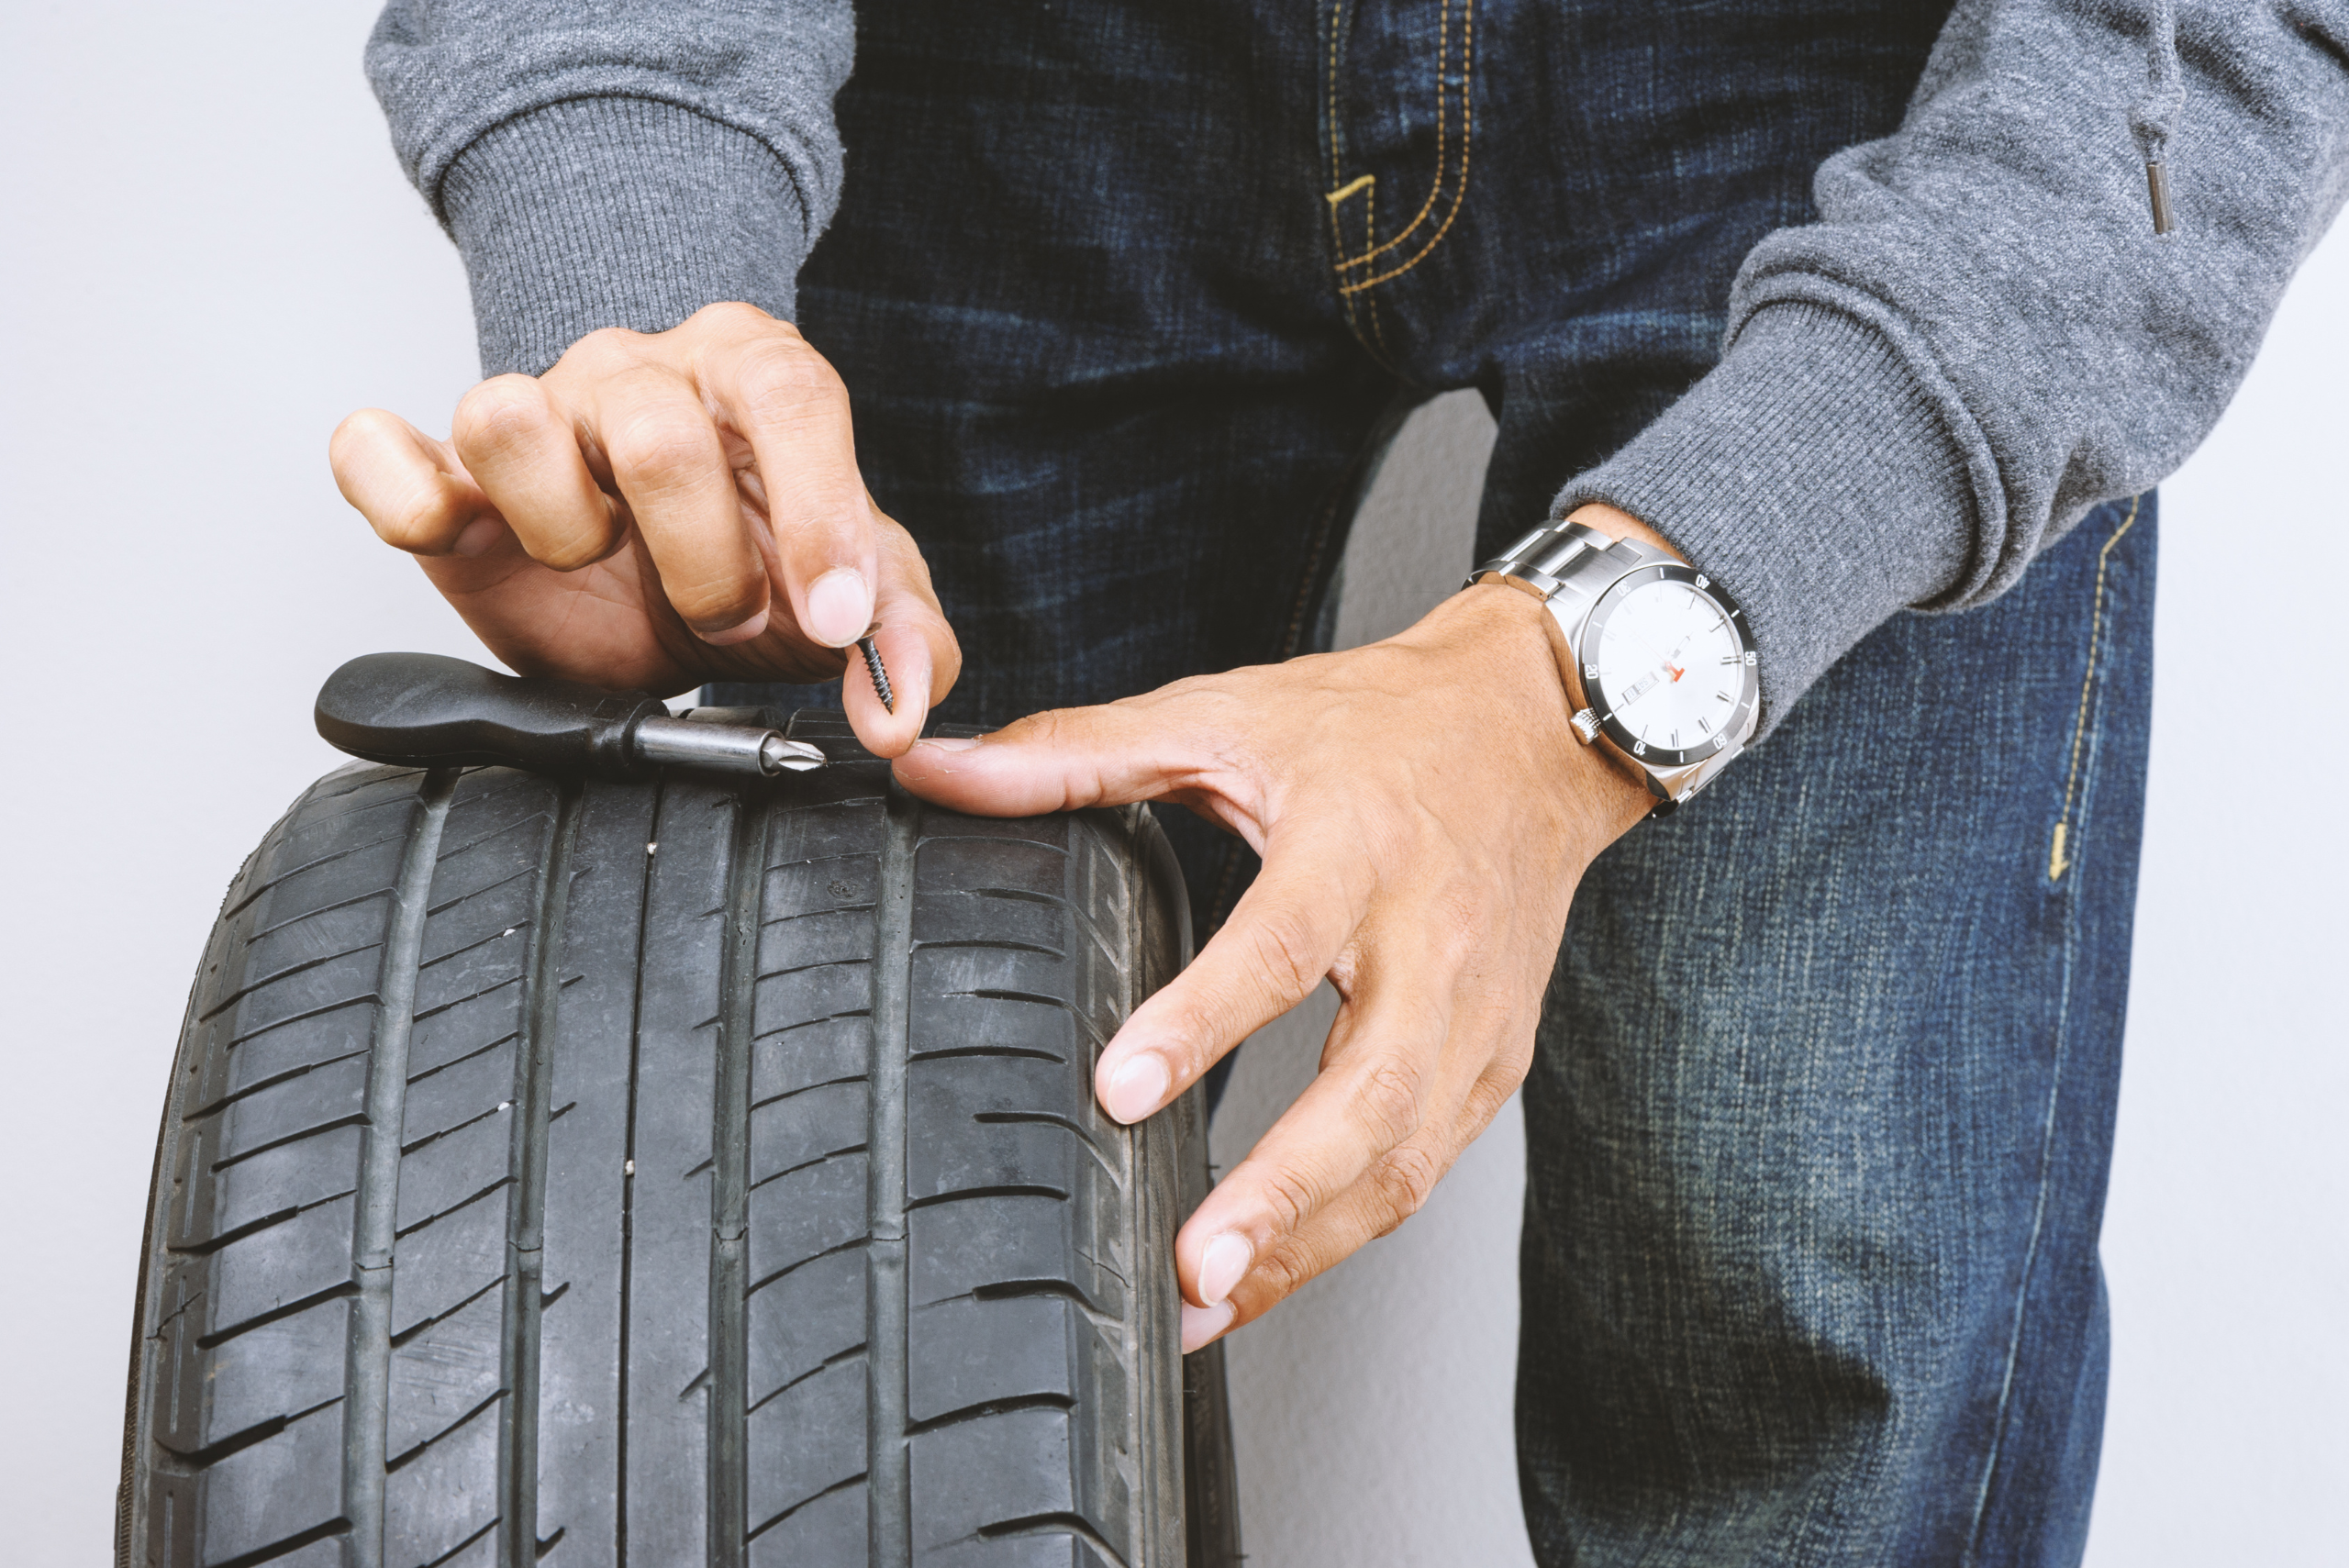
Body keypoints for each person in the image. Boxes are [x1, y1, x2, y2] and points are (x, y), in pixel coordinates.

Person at [330, 1, 2348, 1560]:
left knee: (1797, 1272)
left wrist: (1593, 675)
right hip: (1000, 74)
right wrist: (646, 316)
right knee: (821, 1271)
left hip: (1848, 83)